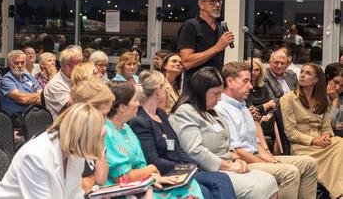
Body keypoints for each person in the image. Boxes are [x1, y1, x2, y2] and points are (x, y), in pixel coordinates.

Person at [169, 67, 278, 199]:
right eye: (216, 94)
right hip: (208, 169)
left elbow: (228, 142)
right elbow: (194, 150)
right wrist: (229, 166)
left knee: (269, 180)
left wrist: (237, 159)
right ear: (200, 91)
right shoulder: (185, 112)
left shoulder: (211, 111)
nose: (219, 99)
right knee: (258, 188)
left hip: (229, 163)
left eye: (220, 93)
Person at [215, 62, 317, 199]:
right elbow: (238, 151)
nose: (250, 86)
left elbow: (256, 145)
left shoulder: (243, 106)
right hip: (243, 162)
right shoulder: (221, 108)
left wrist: (273, 162)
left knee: (309, 163)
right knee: (289, 172)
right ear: (230, 82)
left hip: (256, 156)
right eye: (246, 81)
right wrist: (268, 164)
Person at [129, 70, 236, 199]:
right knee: (212, 185)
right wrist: (183, 167)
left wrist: (190, 165)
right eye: (165, 86)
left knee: (220, 179)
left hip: (181, 168)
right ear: (158, 90)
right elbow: (152, 160)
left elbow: (177, 148)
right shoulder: (140, 121)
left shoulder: (161, 114)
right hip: (165, 173)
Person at [104, 81, 204, 198]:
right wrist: (151, 170)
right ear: (122, 107)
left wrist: (156, 178)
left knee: (190, 185)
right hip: (122, 191)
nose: (138, 104)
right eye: (135, 100)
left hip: (143, 183)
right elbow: (121, 177)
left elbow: (141, 164)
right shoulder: (107, 133)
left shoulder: (126, 128)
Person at [0, 103, 105, 199]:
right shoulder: (35, 156)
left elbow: (75, 196)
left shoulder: (75, 151)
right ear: (82, 137)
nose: (98, 148)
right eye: (97, 140)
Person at [280, 63, 343, 198]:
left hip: (321, 142)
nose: (302, 75)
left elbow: (326, 127)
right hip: (302, 145)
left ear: (316, 80)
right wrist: (314, 140)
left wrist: (326, 135)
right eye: (302, 72)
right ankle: (339, 193)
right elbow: (291, 132)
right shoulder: (288, 98)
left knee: (339, 142)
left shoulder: (323, 99)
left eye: (308, 73)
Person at [177, 0, 234, 79]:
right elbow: (186, 62)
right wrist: (217, 48)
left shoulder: (220, 28)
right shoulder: (191, 25)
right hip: (196, 87)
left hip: (216, 86)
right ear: (201, 4)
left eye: (219, 1)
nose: (217, 5)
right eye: (212, 1)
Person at [0, 50, 42, 119]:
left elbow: (42, 95)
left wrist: (29, 97)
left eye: (22, 62)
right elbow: (22, 99)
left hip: (33, 113)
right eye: (16, 63)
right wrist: (37, 96)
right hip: (17, 117)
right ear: (10, 64)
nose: (20, 66)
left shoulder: (29, 77)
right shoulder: (6, 79)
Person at [44, 46, 83, 119]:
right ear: (66, 66)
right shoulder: (56, 84)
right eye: (78, 66)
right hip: (62, 126)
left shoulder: (75, 79)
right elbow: (73, 107)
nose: (81, 69)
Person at [325, 63, 343, 136]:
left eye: (342, 86)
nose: (338, 88)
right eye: (336, 82)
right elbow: (328, 125)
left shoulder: (341, 97)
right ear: (328, 78)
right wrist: (335, 100)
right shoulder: (317, 97)